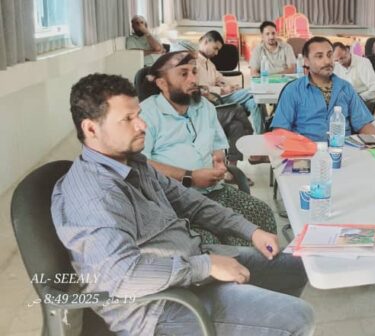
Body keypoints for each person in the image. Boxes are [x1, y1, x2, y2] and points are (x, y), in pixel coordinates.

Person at [52, 73, 313, 335]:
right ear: (91, 129)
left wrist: (250, 231)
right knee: (298, 317)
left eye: (138, 115)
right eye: (127, 119)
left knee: (297, 267)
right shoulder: (95, 195)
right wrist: (207, 266)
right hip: (158, 307)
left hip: (189, 266)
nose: (142, 125)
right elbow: (121, 275)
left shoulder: (133, 162)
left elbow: (193, 204)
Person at [139, 51, 277, 246]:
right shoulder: (146, 115)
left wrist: (219, 162)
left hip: (213, 192)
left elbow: (217, 145)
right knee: (209, 242)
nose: (193, 79)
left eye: (194, 72)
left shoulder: (204, 106)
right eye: (184, 74)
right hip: (174, 202)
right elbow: (141, 164)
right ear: (162, 83)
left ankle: (261, 265)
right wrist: (190, 176)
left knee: (261, 214)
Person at [271, 36, 375, 141]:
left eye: (330, 55)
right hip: (306, 150)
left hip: (343, 149)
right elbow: (280, 131)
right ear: (306, 61)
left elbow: (364, 125)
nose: (327, 61)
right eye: (319, 56)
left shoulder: (346, 88)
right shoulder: (293, 90)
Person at [194, 30, 264, 134]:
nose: (217, 53)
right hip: (213, 99)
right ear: (206, 41)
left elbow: (220, 78)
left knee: (254, 102)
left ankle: (261, 135)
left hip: (222, 96)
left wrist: (233, 86)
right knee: (253, 91)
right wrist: (221, 90)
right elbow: (199, 88)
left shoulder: (210, 64)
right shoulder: (194, 63)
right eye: (215, 48)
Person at [333, 41, 375, 107]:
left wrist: (359, 97)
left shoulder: (363, 63)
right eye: (336, 60)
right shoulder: (335, 65)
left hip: (364, 100)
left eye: (342, 58)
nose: (340, 62)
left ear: (347, 51)